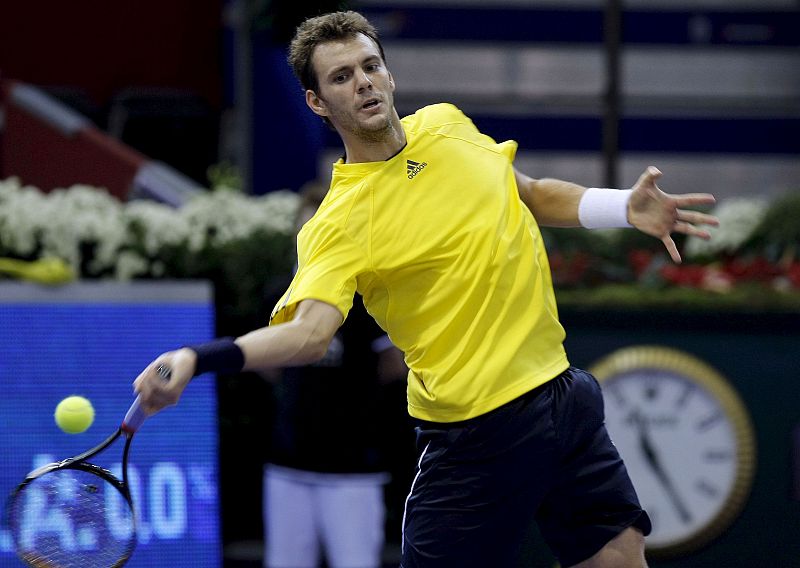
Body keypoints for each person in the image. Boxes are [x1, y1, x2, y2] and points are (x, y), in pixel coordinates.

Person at [134, 10, 719, 568]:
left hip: (563, 399)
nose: (362, 83)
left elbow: (529, 192)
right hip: (475, 437)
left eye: (370, 66)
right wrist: (196, 356)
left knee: (619, 558)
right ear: (317, 102)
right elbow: (309, 336)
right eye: (341, 77)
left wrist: (624, 207)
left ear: (388, 74)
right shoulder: (336, 222)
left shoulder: (446, 124)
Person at [262, 182, 409, 568]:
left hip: (354, 469)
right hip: (287, 464)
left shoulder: (368, 296)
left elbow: (395, 361)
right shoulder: (279, 293)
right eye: (305, 228)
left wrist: (354, 387)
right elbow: (266, 362)